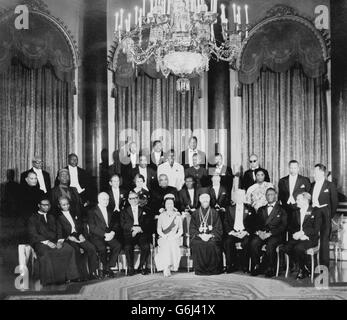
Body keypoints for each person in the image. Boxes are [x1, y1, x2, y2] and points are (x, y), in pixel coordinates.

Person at [28, 198, 79, 286]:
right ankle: (50, 281)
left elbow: (59, 231)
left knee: (69, 249)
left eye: (48, 205)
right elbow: (33, 234)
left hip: (54, 241)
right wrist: (47, 242)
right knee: (46, 253)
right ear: (39, 205)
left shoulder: (52, 217)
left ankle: (71, 277)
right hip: (40, 243)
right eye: (44, 205)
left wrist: (59, 241)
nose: (46, 207)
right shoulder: (33, 218)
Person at [280, 192, 322, 280]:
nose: (296, 201)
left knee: (298, 248)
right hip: (297, 238)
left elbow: (316, 229)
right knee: (285, 248)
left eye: (298, 199)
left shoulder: (316, 211)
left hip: (310, 238)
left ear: (306, 200)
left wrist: (303, 233)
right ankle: (304, 267)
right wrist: (296, 234)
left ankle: (302, 270)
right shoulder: (295, 212)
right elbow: (290, 227)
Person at [56, 197, 99, 280]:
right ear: (59, 206)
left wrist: (80, 234)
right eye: (63, 205)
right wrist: (68, 237)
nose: (66, 206)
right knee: (76, 250)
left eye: (67, 204)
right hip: (69, 238)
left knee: (91, 248)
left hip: (78, 236)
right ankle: (81, 275)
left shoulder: (74, 213)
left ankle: (92, 272)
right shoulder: (58, 218)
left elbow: (80, 226)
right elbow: (59, 233)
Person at [249, 188, 287, 277]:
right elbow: (256, 224)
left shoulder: (282, 210)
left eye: (272, 194)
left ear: (276, 196)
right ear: (266, 196)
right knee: (254, 242)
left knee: (271, 244)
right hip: (262, 234)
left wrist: (270, 233)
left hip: (275, 235)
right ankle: (257, 266)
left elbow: (283, 226)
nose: (270, 196)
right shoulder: (261, 209)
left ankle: (270, 268)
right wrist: (259, 232)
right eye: (268, 195)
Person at [87, 192, 122, 278]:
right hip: (97, 236)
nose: (106, 201)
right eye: (104, 199)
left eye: (107, 199)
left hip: (109, 235)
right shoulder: (92, 211)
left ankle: (108, 266)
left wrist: (113, 232)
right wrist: (104, 234)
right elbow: (92, 227)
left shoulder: (110, 210)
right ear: (98, 200)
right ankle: (107, 269)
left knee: (118, 246)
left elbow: (115, 224)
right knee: (102, 249)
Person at [310, 163, 338, 267]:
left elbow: (334, 203)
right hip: (313, 214)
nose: (314, 174)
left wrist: (329, 215)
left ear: (322, 172)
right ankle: (310, 265)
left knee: (324, 240)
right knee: (311, 237)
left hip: (325, 214)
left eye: (316, 172)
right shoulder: (312, 185)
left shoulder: (330, 185)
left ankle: (324, 266)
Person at [189, 193, 223, 275]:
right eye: (203, 199)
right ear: (200, 200)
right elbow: (192, 228)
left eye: (207, 199)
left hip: (211, 236)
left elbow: (218, 228)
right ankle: (200, 270)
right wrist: (200, 235)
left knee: (212, 244)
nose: (205, 200)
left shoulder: (215, 213)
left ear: (209, 200)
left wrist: (210, 235)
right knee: (197, 244)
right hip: (199, 236)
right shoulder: (195, 214)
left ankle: (213, 270)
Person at [121, 191, 153, 276]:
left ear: (138, 199)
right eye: (131, 198)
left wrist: (139, 228)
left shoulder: (144, 210)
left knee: (146, 246)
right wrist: (132, 228)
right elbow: (123, 224)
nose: (134, 200)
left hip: (141, 232)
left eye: (135, 198)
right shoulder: (124, 211)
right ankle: (131, 268)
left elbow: (148, 223)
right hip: (130, 233)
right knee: (128, 247)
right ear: (128, 200)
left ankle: (141, 266)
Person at [223, 189, 255, 273]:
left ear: (244, 197)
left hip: (244, 233)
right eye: (238, 196)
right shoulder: (229, 208)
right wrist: (232, 232)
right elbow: (225, 222)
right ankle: (230, 265)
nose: (240, 197)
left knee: (247, 242)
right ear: (235, 197)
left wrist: (246, 232)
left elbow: (253, 223)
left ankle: (244, 265)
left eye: (242, 195)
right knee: (228, 242)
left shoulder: (250, 208)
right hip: (233, 232)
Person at [278, 160, 311, 233]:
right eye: (291, 168)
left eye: (295, 168)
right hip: (286, 208)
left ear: (298, 168)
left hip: (298, 208)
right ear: (288, 168)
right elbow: (280, 196)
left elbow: (308, 195)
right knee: (285, 228)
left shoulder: (304, 180)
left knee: (297, 229)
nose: (293, 170)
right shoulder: (282, 180)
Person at [154, 195, 183, 277]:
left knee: (172, 243)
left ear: (173, 204)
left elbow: (181, 230)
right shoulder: (161, 216)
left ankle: (171, 266)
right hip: (163, 237)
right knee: (166, 244)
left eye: (171, 203)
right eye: (167, 204)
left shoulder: (177, 216)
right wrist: (164, 236)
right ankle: (166, 267)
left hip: (174, 237)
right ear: (165, 205)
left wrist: (175, 236)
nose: (169, 205)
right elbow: (159, 230)